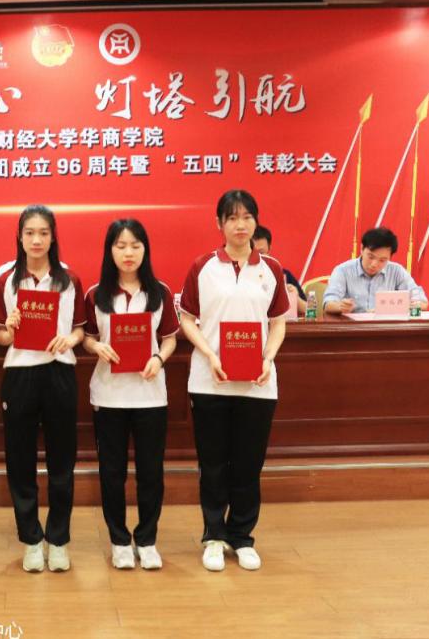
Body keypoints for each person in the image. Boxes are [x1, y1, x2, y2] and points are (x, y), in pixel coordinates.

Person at [179, 189, 290, 573]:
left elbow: (278, 323)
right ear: (219, 224)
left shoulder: (271, 268)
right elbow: (187, 319)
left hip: (258, 383)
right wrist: (210, 355)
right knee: (212, 464)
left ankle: (241, 536)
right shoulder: (203, 266)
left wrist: (268, 358)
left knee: (247, 464)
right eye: (232, 218)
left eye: (246, 217)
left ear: (255, 222)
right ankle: (213, 535)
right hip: (210, 381)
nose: (240, 225)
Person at [0, 204, 85, 573]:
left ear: (53, 237)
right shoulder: (5, 279)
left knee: (62, 460)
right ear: (19, 236)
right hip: (20, 375)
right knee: (20, 461)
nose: (36, 239)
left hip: (59, 372)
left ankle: (58, 540)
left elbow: (80, 329)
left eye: (43, 232)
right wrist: (11, 328)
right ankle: (31, 539)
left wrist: (68, 339)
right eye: (30, 232)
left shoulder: (68, 278)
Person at [82, 219, 178, 571]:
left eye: (135, 245)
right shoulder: (96, 294)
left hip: (150, 395)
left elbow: (169, 339)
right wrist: (97, 347)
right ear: (110, 250)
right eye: (120, 245)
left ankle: (147, 539)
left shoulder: (159, 292)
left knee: (151, 472)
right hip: (109, 396)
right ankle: (119, 540)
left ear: (145, 250)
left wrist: (158, 358)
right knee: (112, 473)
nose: (128, 252)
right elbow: (87, 337)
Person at [323, 227, 429, 314]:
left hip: (386, 329)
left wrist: (398, 308)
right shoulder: (343, 271)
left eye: (382, 260)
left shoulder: (397, 271)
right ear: (362, 249)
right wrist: (340, 306)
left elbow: (422, 302)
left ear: (390, 257)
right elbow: (328, 304)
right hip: (352, 329)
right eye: (370, 257)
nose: (374, 264)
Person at [252, 226, 306, 315]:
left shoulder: (283, 274)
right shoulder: (238, 276)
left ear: (269, 249)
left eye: (261, 253)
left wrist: (294, 297)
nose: (258, 257)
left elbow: (307, 310)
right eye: (253, 253)